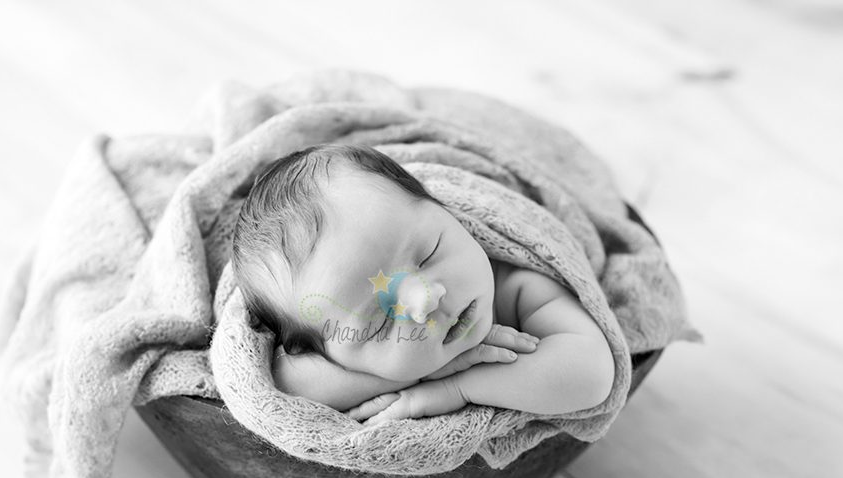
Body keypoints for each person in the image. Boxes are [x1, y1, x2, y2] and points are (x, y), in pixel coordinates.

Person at [231, 144, 615, 425]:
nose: (426, 300)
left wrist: (458, 387)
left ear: (448, 213)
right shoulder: (321, 354)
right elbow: (285, 387)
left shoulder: (514, 284)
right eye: (380, 323)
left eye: (428, 254)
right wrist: (418, 371)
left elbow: (592, 375)